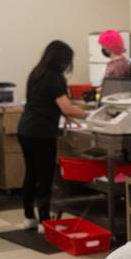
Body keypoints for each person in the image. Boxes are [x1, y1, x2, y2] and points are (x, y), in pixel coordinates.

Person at [18, 40, 89, 231]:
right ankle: (45, 221)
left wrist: (66, 114)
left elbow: (45, 102)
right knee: (45, 176)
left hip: (26, 129)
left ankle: (29, 217)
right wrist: (91, 114)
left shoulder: (36, 73)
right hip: (42, 132)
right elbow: (66, 106)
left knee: (31, 174)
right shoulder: (55, 77)